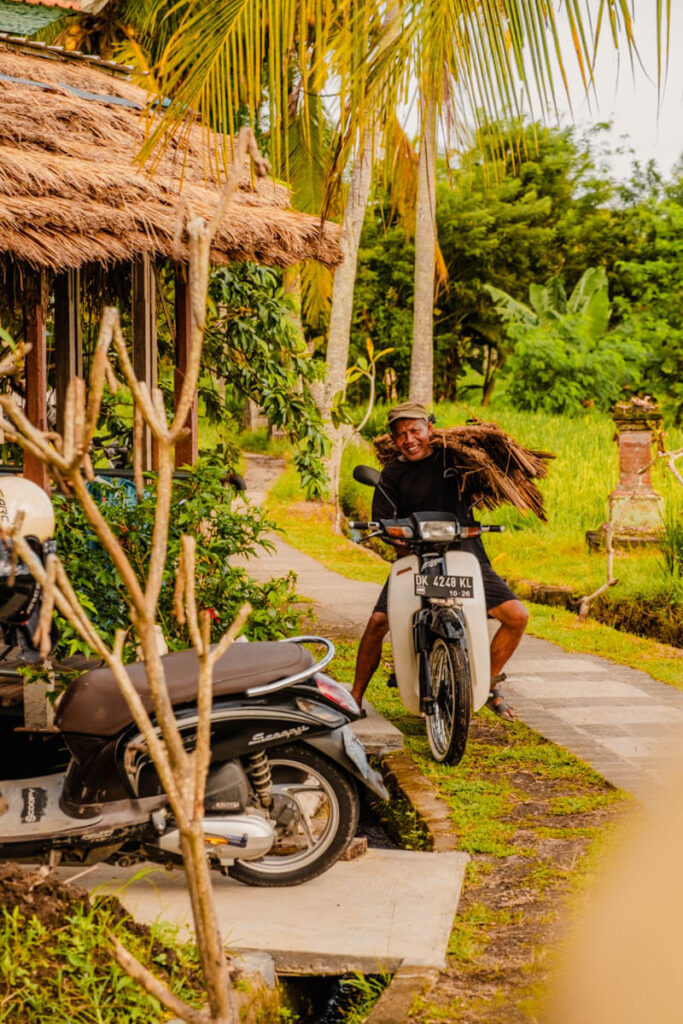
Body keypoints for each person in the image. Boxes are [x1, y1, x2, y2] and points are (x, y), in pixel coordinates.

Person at [350, 401, 528, 720]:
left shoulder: (455, 460)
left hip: (465, 555)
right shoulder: (392, 473)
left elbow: (489, 475)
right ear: (394, 440)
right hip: (415, 557)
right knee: (378, 622)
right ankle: (354, 696)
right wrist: (397, 540)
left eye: (415, 430)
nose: (409, 439)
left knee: (516, 616)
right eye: (400, 434)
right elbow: (382, 521)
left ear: (430, 428)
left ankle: (485, 682)